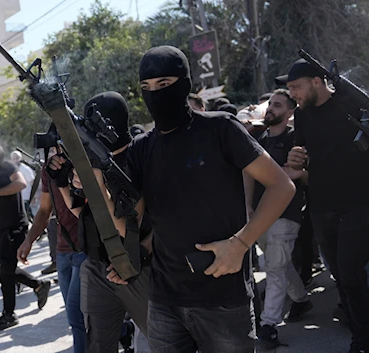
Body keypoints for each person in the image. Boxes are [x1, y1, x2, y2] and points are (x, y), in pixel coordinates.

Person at [98, 46, 295, 352]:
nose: (154, 94)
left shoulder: (219, 128)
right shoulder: (141, 149)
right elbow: (128, 226)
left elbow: (282, 186)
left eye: (163, 84)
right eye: (146, 88)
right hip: (164, 300)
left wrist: (241, 244)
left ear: (184, 83)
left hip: (223, 298)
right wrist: (97, 178)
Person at [48, 91, 153, 353]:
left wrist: (101, 189)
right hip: (98, 265)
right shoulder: (94, 162)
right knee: (95, 343)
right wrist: (62, 180)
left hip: (136, 265)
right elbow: (83, 216)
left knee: (159, 340)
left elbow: (131, 228)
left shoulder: (137, 159)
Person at [280, 58, 369, 353]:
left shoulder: (350, 105)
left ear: (316, 82)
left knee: (351, 271)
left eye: (296, 87)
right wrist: (295, 162)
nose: (292, 93)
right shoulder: (302, 117)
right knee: (342, 277)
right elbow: (303, 161)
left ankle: (361, 339)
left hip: (358, 203)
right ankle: (359, 328)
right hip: (321, 206)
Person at [246, 89, 312, 348]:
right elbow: (249, 173)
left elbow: (299, 172)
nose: (271, 108)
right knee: (280, 264)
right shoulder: (259, 139)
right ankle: (301, 300)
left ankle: (269, 325)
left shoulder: (296, 139)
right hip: (262, 214)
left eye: (277, 105)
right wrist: (248, 205)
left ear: (290, 112)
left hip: (287, 213)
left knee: (274, 267)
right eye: (270, 104)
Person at [17, 146, 86, 353]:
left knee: (76, 315)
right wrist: (29, 239)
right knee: (75, 317)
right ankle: (123, 331)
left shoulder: (84, 164)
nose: (53, 153)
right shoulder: (49, 171)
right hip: (63, 251)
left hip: (86, 249)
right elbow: (45, 210)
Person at [0, 141, 51, 331]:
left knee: (6, 271)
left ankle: (9, 314)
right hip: (1, 227)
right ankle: (38, 285)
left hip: (14, 226)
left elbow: (20, 183)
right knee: (5, 268)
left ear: (1, 155)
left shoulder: (8, 167)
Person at [10, 150, 36, 222]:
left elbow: (32, 182)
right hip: (16, 197)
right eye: (13, 158)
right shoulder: (11, 170)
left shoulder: (25, 169)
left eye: (17, 158)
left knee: (26, 214)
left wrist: (33, 196)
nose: (15, 160)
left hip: (25, 197)